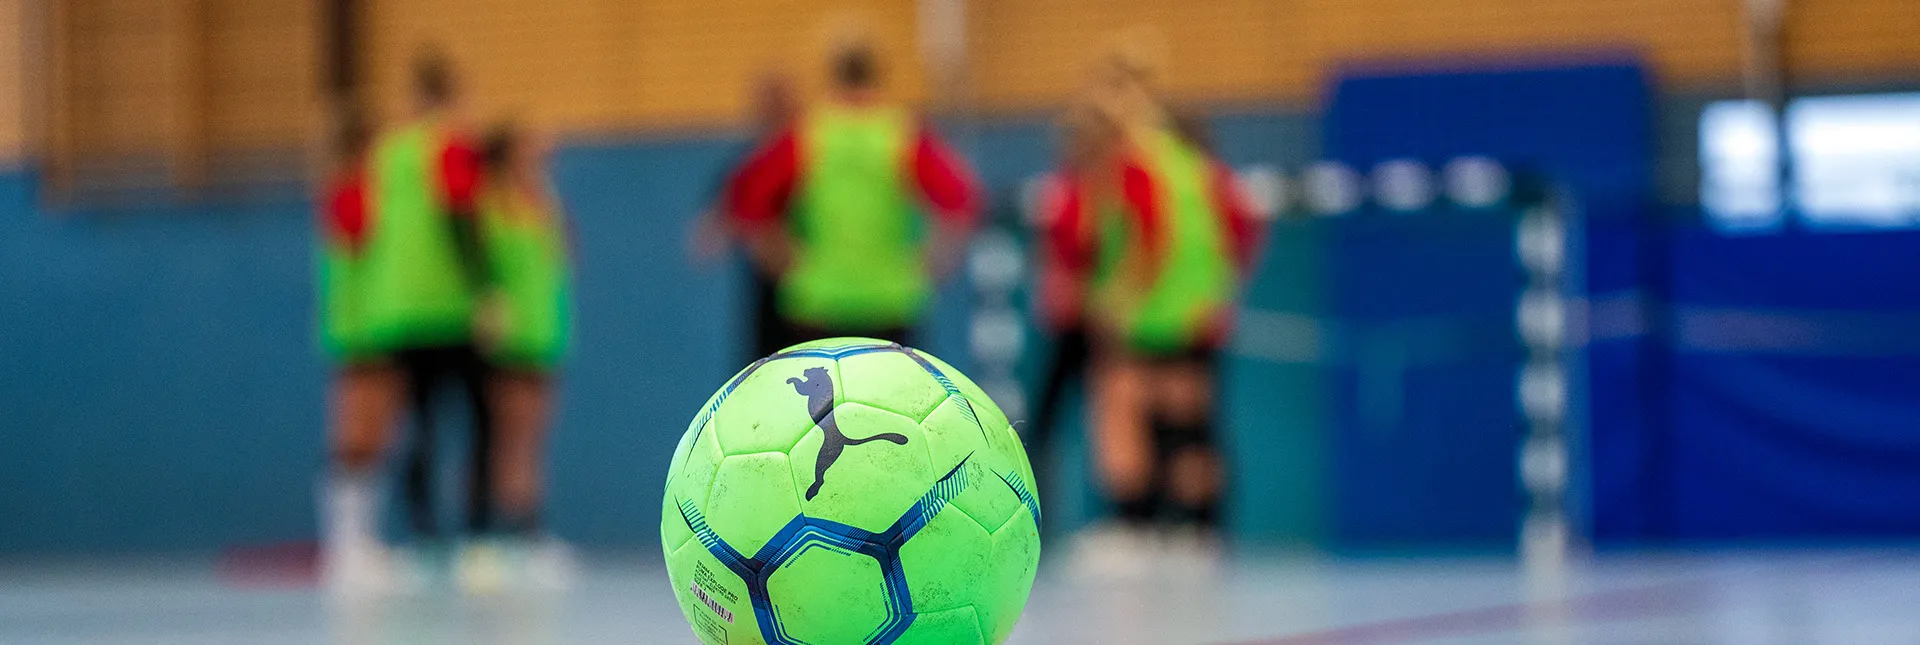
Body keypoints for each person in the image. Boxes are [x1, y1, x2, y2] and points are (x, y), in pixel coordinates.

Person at [1075, 35, 1262, 536]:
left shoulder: (1137, 164)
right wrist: (1220, 289)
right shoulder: (1192, 162)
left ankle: (1139, 527)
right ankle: (1197, 530)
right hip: (1194, 312)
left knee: (1134, 418)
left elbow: (1149, 238)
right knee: (1190, 426)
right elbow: (1242, 224)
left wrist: (1120, 297)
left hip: (1155, 315)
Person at [331, 49, 493, 582]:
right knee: (477, 419)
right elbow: (459, 215)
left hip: (397, 312)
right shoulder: (446, 144)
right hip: (446, 306)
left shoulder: (387, 153)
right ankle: (475, 537)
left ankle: (424, 536)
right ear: (449, 95)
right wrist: (484, 286)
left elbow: (363, 229)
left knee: (418, 423)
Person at [724, 33, 981, 347]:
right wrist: (926, 267)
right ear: (878, 72)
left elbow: (750, 204)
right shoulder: (901, 133)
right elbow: (961, 201)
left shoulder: (809, 133)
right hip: (890, 300)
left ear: (830, 74)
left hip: (819, 300)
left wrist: (787, 266)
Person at [459, 122, 575, 590]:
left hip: (545, 334)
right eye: (529, 145)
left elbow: (562, 258)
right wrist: (488, 307)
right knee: (502, 437)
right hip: (507, 338)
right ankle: (482, 537)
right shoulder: (489, 203)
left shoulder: (542, 201)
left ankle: (526, 534)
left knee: (532, 438)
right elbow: (477, 264)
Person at [317, 103, 412, 592]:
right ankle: (344, 543)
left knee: (377, 437)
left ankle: (363, 539)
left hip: (378, 326)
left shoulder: (371, 192)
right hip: (356, 328)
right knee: (355, 435)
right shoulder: (351, 192)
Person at [690, 72, 799, 361]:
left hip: (812, 291)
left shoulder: (809, 157)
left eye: (779, 102)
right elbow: (709, 232)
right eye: (767, 103)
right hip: (767, 296)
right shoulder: (750, 164)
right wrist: (755, 233)